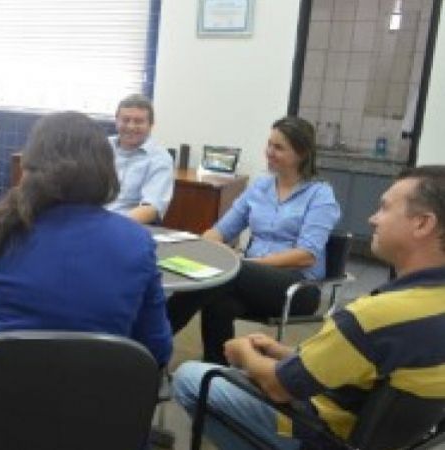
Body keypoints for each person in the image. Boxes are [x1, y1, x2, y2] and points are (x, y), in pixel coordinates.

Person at [174, 165, 445, 449]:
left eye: (385, 208)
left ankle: (153, 347)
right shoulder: (422, 308)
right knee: (222, 298)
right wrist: (286, 353)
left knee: (190, 377)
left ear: (422, 224)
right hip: (379, 432)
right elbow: (366, 365)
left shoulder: (374, 317)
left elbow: (278, 387)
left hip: (322, 434)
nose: (373, 219)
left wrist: (244, 354)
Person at [0, 111, 173, 418]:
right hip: (96, 412)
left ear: (31, 165)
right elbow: (157, 347)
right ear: (105, 169)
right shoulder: (136, 241)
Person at [167, 117, 340, 364]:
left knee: (228, 274)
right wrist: (202, 248)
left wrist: (248, 264)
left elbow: (306, 255)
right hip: (250, 277)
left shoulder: (320, 195)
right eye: (269, 144)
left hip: (299, 289)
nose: (269, 152)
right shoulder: (261, 186)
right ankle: (215, 368)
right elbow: (221, 230)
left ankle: (152, 340)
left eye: (279, 147)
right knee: (219, 301)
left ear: (301, 153)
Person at [105, 93, 175, 225]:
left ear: (151, 125)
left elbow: (150, 209)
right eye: (125, 120)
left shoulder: (160, 159)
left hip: (130, 227)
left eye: (138, 121)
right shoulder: (102, 147)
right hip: (93, 220)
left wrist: (111, 227)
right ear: (116, 121)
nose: (131, 127)